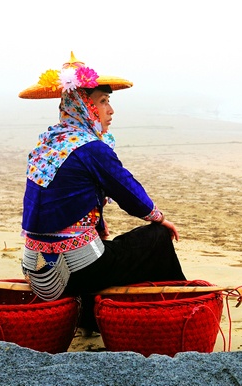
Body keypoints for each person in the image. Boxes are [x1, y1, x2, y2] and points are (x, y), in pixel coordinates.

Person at [18, 53, 186, 324]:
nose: (110, 110)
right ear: (83, 106)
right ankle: (178, 312)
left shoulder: (47, 143)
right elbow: (128, 191)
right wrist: (159, 219)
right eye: (103, 101)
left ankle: (91, 318)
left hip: (34, 268)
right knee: (156, 239)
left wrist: (97, 225)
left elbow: (61, 200)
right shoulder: (91, 147)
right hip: (72, 270)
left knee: (108, 242)